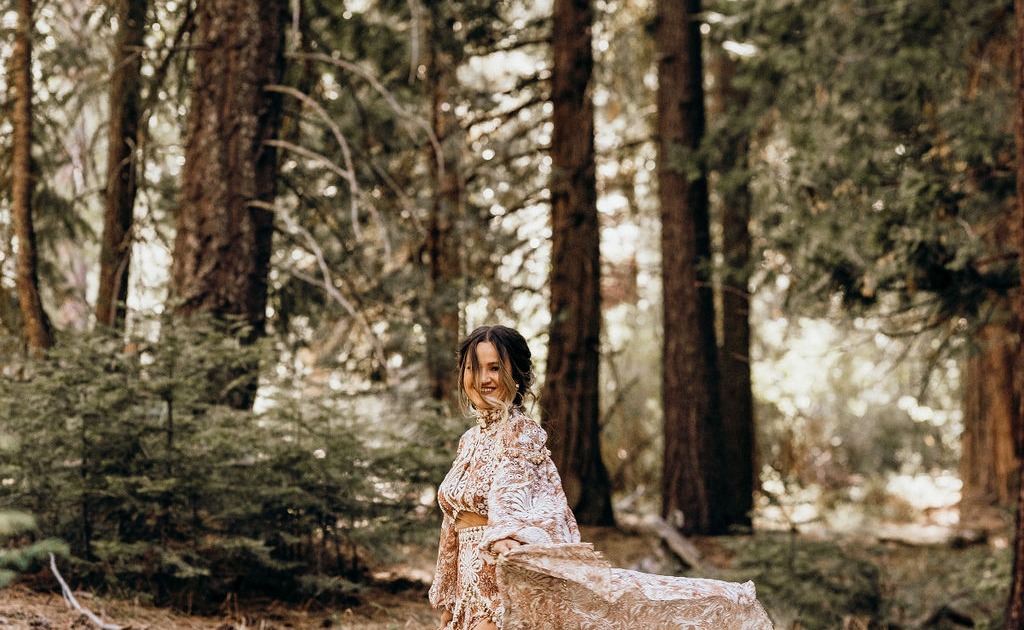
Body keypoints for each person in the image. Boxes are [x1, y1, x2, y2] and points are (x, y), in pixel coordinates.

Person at [429, 325, 773, 630]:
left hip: (503, 581)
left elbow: (511, 489)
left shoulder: (521, 432)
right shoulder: (469, 440)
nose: (484, 379)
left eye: (495, 368)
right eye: (474, 368)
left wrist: (505, 534)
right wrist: (451, 599)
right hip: (469, 587)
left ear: (515, 375)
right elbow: (453, 524)